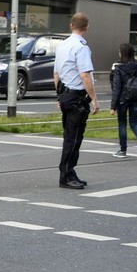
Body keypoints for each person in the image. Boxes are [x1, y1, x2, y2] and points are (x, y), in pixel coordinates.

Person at [53, 12, 99, 189]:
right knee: (74, 138)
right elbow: (85, 75)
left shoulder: (62, 46)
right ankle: (65, 174)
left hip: (65, 95)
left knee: (70, 136)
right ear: (86, 28)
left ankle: (70, 172)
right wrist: (94, 99)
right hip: (78, 98)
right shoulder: (81, 48)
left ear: (71, 25)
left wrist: (59, 96)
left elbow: (56, 74)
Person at [109, 43, 137, 158]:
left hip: (122, 100)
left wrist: (113, 106)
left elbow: (116, 88)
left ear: (123, 53)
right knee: (134, 123)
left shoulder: (118, 67)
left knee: (122, 124)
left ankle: (123, 150)